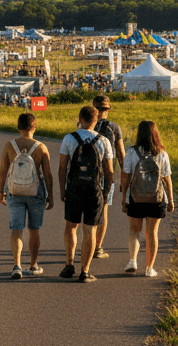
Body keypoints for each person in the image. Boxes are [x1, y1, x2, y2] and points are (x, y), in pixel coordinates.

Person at [58, 105, 114, 282]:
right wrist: (105, 193)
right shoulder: (103, 141)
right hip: (94, 190)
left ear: (80, 119)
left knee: (71, 227)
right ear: (95, 121)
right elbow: (110, 172)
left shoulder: (69, 138)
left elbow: (62, 167)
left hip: (74, 188)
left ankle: (69, 264)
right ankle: (85, 271)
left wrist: (62, 190)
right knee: (90, 230)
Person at [0, 112, 54, 278]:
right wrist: (50, 194)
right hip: (36, 192)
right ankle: (33, 265)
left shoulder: (9, 146)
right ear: (34, 126)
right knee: (34, 230)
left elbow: (3, 171)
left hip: (14, 192)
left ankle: (17, 265)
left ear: (18, 127)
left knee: (17, 230)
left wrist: (1, 191)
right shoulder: (41, 148)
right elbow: (48, 174)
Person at [121, 120, 174, 277]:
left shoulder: (131, 152)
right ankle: (149, 268)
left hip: (135, 198)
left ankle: (132, 261)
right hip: (156, 199)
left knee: (134, 230)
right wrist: (171, 200)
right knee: (152, 233)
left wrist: (124, 198)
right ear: (155, 134)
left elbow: (125, 178)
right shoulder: (162, 154)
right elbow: (167, 180)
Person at [91, 94, 125, 259]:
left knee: (88, 210)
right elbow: (121, 155)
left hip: (87, 174)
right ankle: (97, 247)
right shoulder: (114, 127)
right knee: (103, 210)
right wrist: (125, 178)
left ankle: (87, 243)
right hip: (107, 175)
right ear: (109, 109)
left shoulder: (84, 124)